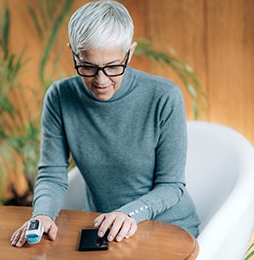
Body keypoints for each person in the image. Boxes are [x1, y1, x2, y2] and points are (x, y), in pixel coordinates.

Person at [10, 0, 200, 247]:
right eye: (87, 66)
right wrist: (42, 215)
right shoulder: (60, 97)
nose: (101, 80)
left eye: (113, 67)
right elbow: (52, 173)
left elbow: (171, 186)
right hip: (106, 231)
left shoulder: (164, 96)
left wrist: (129, 214)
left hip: (169, 228)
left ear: (129, 53)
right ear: (73, 52)